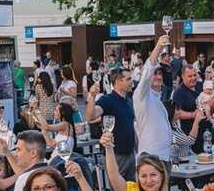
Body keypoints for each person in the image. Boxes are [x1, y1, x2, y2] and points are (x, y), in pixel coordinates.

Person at [85, 68, 138, 181]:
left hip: (130, 153)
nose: (131, 82)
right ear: (118, 81)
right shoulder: (107, 100)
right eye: (128, 79)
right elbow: (90, 116)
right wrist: (92, 97)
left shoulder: (128, 100)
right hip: (115, 155)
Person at [133, 36, 175, 164]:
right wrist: (159, 47)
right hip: (150, 159)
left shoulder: (158, 98)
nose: (157, 77)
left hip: (164, 157)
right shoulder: (141, 94)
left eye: (160, 74)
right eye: (155, 74)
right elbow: (147, 71)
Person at [172, 60, 205, 152]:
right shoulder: (178, 92)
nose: (193, 78)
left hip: (206, 131)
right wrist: (193, 115)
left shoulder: (201, 85)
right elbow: (177, 113)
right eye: (190, 76)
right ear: (182, 77)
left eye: (195, 75)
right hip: (190, 133)